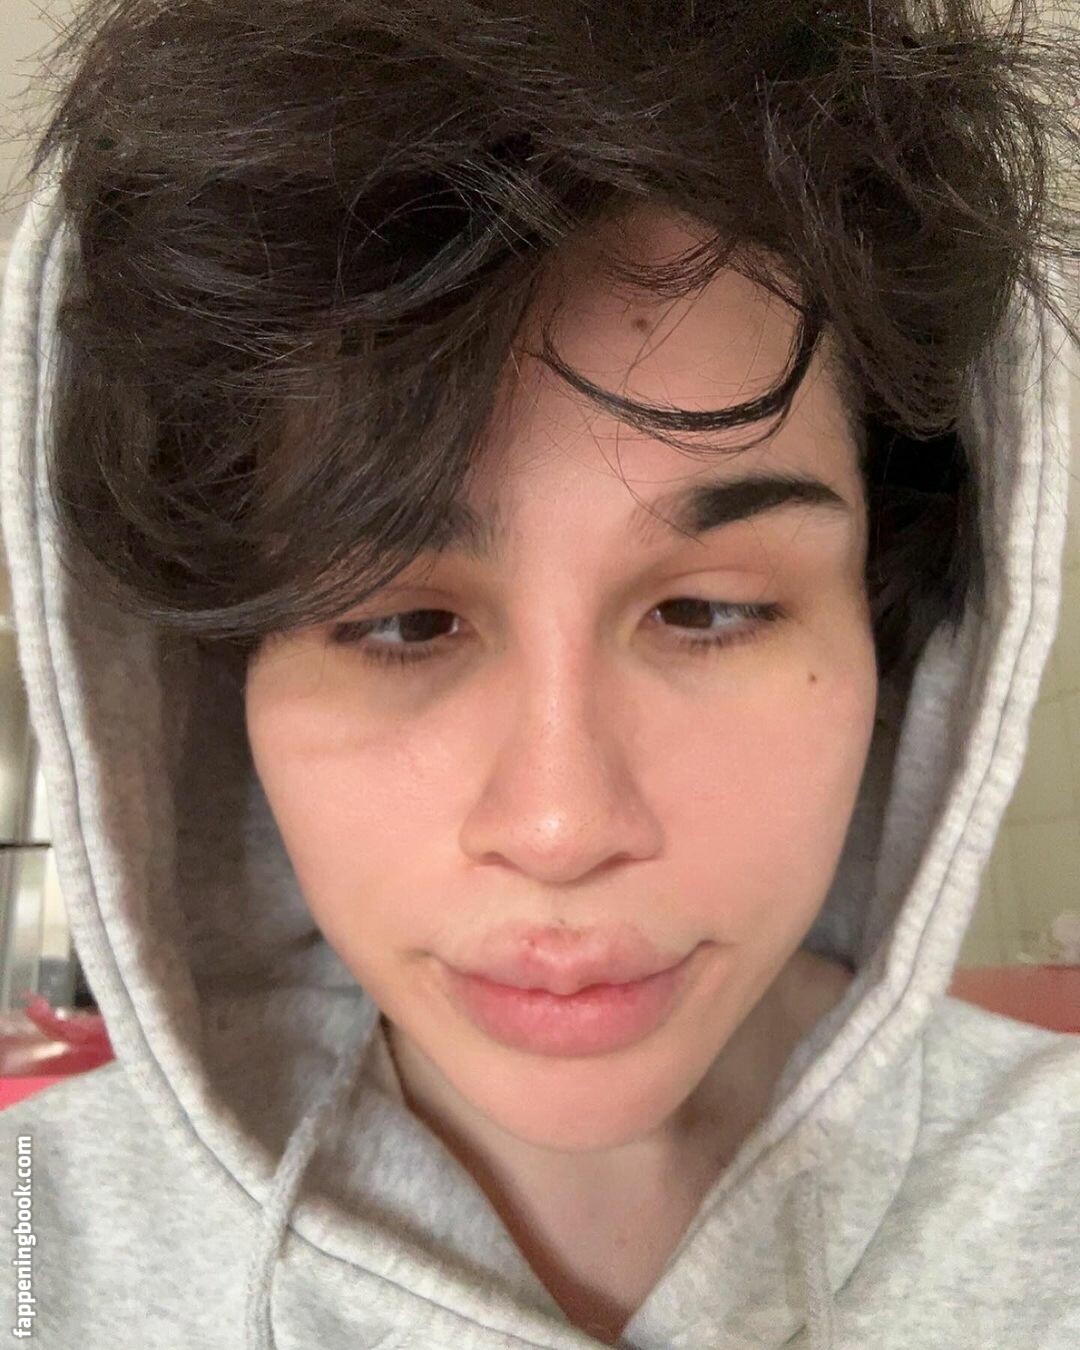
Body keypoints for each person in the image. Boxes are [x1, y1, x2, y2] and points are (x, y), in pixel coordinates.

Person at [0, 2, 1077, 1346]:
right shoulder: (34, 1241)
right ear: (221, 680)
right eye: (401, 625)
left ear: (885, 625)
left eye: (711, 608)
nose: (563, 826)